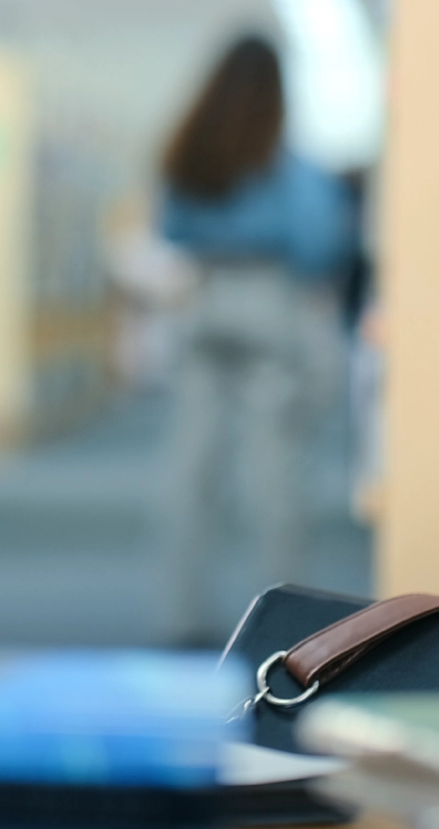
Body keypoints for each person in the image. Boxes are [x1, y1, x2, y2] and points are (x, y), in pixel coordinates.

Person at [156, 35, 354, 642]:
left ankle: (183, 618)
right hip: (272, 306)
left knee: (192, 470)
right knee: (277, 476)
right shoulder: (290, 169)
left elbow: (171, 229)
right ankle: (281, 625)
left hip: (206, 302)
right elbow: (321, 244)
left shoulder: (189, 154)